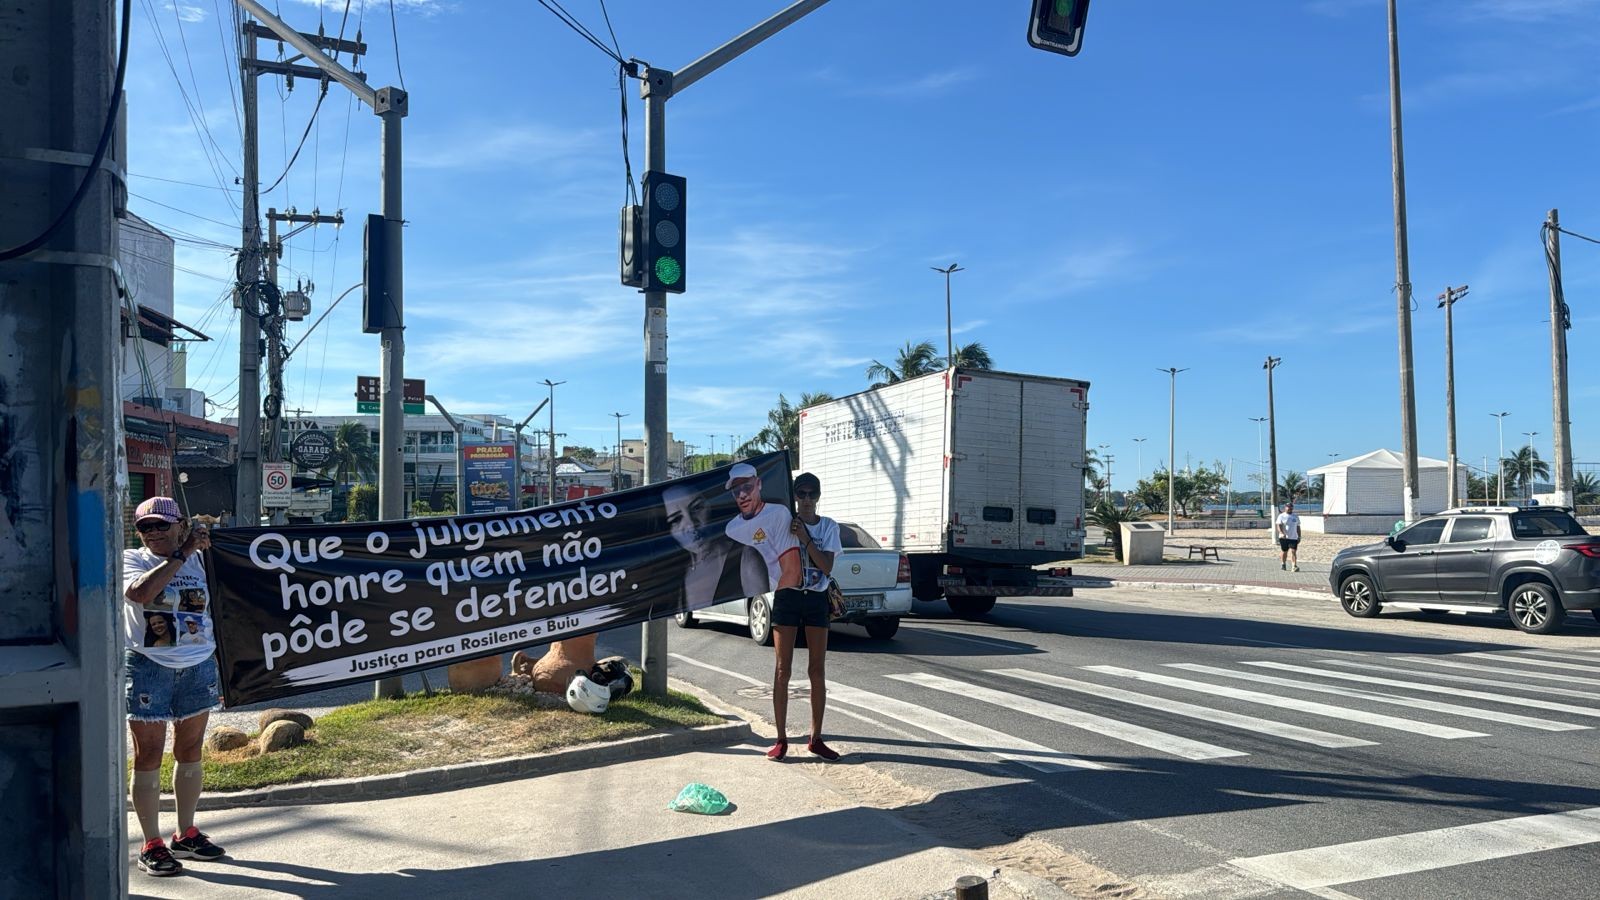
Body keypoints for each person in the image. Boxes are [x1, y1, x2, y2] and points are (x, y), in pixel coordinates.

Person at [122, 497, 225, 877]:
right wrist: (180, 553)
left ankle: (186, 831)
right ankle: (151, 842)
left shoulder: (202, 558)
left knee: (190, 749)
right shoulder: (133, 559)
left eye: (160, 525)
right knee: (148, 754)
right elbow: (140, 595)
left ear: (180, 523)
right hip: (150, 666)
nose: (152, 534)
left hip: (197, 664)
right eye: (145, 527)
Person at [768, 472, 844, 762]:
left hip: (815, 599)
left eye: (813, 494)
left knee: (817, 671)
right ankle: (781, 740)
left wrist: (805, 537)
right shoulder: (784, 525)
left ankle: (816, 738)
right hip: (787, 596)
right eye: (802, 493)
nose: (807, 499)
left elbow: (826, 566)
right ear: (795, 496)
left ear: (819, 497)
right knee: (781, 670)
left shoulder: (828, 527)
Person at [662, 482, 768, 610]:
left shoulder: (746, 558)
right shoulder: (676, 575)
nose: (691, 524)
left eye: (697, 508)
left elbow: (761, 612)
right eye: (676, 520)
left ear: (711, 505)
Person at [1276, 501, 1301, 572]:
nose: (1289, 508)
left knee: (1293, 551)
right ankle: (1283, 564)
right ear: (1285, 508)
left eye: (1291, 507)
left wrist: (1299, 536)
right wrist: (1281, 532)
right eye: (1288, 507)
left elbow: (1298, 527)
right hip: (1284, 538)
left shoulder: (1295, 516)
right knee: (1284, 551)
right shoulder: (1281, 516)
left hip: (1293, 537)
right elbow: (1279, 525)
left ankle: (1294, 566)